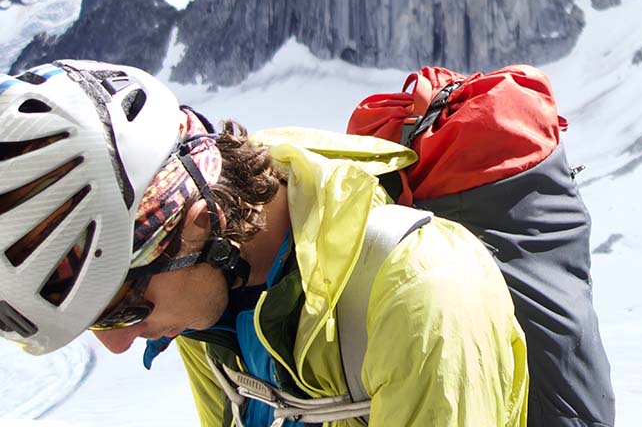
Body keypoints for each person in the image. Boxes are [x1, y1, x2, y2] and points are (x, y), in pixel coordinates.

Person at [0, 59, 529, 427]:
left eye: (119, 309)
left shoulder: (419, 298)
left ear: (199, 223)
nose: (116, 344)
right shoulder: (200, 300)